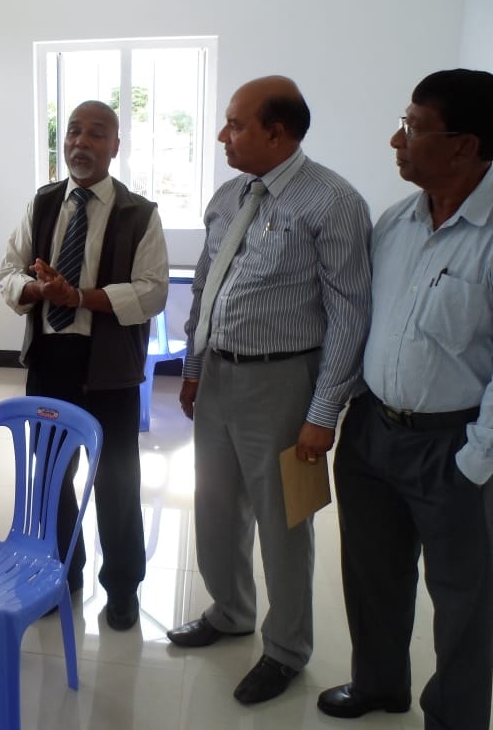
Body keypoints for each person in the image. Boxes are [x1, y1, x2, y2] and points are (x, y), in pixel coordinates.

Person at [318, 70, 493, 730]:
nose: (397, 139)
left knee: (461, 600)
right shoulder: (397, 223)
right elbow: (364, 322)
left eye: (413, 128)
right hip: (372, 432)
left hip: (453, 444)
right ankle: (380, 683)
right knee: (372, 576)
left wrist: (476, 463)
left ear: (464, 145)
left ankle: (453, 718)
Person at [167, 76, 372, 704]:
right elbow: (206, 287)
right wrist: (193, 366)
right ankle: (230, 611)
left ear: (277, 133)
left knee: (285, 520)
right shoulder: (229, 196)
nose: (223, 135)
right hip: (219, 374)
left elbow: (350, 313)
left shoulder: (333, 201)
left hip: (285, 381)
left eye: (236, 124)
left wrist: (324, 411)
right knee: (215, 504)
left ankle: (285, 648)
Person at [0, 100, 169, 631]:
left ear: (115, 146)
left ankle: (122, 587)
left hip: (110, 368)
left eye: (97, 133)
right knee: (51, 477)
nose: (81, 142)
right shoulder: (43, 202)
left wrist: (79, 298)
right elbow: (7, 272)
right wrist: (38, 290)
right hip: (51, 361)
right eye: (74, 131)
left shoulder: (140, 213)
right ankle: (60, 574)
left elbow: (153, 292)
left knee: (116, 481)